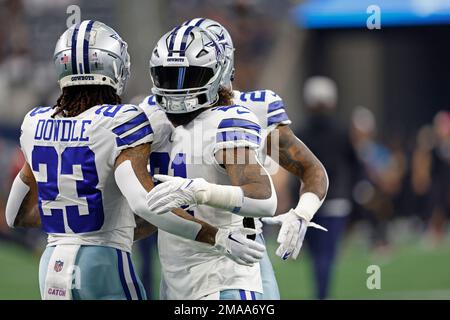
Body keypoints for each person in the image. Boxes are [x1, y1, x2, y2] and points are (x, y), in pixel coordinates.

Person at [4, 20, 265, 300]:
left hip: (51, 263)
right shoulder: (121, 121)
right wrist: (218, 237)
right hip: (103, 261)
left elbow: (14, 214)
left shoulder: (35, 123)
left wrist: (71, 218)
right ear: (115, 67)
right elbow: (146, 204)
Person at [142, 18, 329, 300]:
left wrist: (302, 213)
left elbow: (310, 168)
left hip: (235, 260)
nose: (177, 88)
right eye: (168, 75)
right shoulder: (148, 113)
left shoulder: (251, 109)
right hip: (175, 267)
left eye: (189, 75)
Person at [296, 76, 358, 299]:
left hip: (309, 202)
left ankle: (321, 295)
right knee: (326, 256)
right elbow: (354, 166)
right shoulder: (342, 132)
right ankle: (322, 296)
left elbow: (296, 169)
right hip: (336, 202)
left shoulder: (301, 133)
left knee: (316, 257)